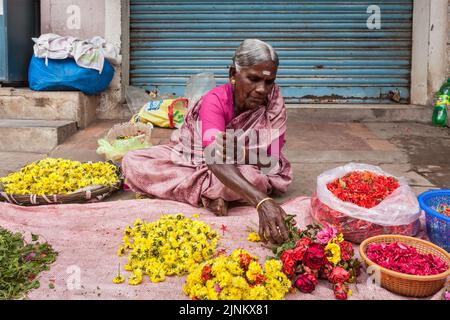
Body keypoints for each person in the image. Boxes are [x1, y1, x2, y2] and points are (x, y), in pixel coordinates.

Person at [122, 39, 293, 244]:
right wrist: (262, 201)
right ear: (233, 75)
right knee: (133, 161)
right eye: (253, 79)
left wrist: (243, 154)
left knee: (256, 178)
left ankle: (210, 191)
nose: (262, 90)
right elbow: (213, 158)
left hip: (247, 166)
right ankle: (215, 191)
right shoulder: (215, 100)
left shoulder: (273, 104)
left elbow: (271, 162)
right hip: (197, 160)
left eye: (269, 81)